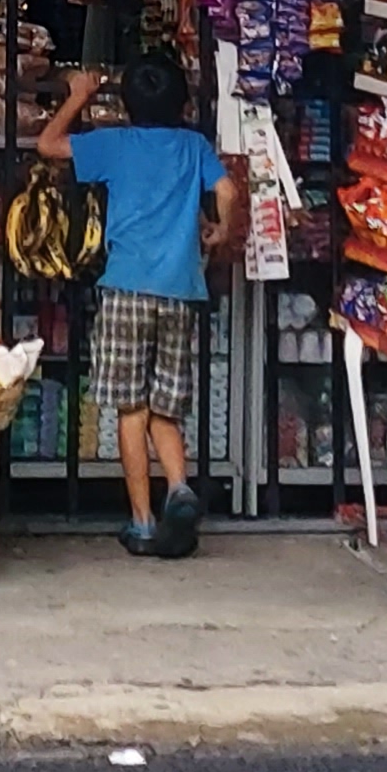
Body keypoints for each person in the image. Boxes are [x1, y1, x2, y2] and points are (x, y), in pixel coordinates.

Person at [36, 54, 239, 559]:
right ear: (183, 103)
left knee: (132, 408)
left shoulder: (117, 145)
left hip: (126, 287)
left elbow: (48, 145)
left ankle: (143, 522)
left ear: (125, 106)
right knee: (164, 408)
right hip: (181, 290)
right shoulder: (193, 145)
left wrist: (79, 95)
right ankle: (179, 487)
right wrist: (221, 229)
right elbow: (229, 190)